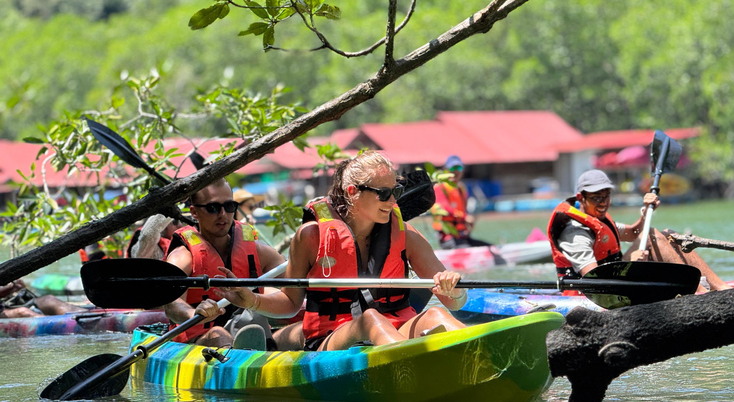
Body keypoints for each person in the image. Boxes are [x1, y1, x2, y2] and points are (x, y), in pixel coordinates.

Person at [222, 150, 468, 352]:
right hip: (333, 338)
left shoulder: (406, 235)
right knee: (371, 319)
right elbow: (290, 303)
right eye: (383, 194)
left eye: (396, 192)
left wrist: (453, 290)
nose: (393, 202)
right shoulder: (310, 236)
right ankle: (271, 341)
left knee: (436, 313)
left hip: (396, 330)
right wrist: (252, 300)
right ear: (353, 192)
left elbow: (454, 302)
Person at [547, 169, 731, 294]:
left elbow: (633, 233)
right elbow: (595, 282)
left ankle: (721, 288)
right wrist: (632, 265)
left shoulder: (596, 216)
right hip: (592, 293)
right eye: (596, 198)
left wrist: (646, 212)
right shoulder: (575, 232)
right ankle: (699, 293)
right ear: (581, 197)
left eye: (606, 197)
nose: (603, 203)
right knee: (651, 235)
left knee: (668, 235)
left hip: (614, 277)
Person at [163, 178, 286, 348]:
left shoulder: (256, 250)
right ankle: (241, 360)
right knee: (218, 334)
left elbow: (296, 276)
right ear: (194, 212)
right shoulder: (183, 256)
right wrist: (193, 313)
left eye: (229, 207)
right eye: (213, 208)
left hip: (247, 327)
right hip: (198, 340)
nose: (222, 214)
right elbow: (171, 304)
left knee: (295, 331)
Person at [431, 155, 490, 249]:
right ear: (446, 169)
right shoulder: (440, 188)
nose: (456, 171)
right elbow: (445, 207)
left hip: (462, 236)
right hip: (448, 238)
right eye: (452, 167)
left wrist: (468, 223)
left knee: (489, 247)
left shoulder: (461, 188)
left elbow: (463, 210)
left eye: (459, 167)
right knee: (466, 248)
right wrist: (465, 217)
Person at [0, 279, 87, 318]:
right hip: (2, 312)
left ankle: (89, 315)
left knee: (49, 300)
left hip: (6, 304)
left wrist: (14, 288)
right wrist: (11, 288)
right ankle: (53, 324)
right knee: (23, 312)